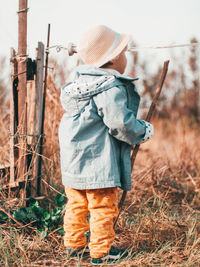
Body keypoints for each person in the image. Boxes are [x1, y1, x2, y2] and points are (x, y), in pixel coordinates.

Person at [59, 25, 153, 265]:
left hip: (73, 165)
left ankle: (74, 244)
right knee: (102, 206)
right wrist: (142, 130)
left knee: (77, 204)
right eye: (123, 52)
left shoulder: (75, 87)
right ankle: (101, 252)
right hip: (98, 164)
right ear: (112, 59)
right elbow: (120, 123)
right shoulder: (108, 88)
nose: (126, 57)